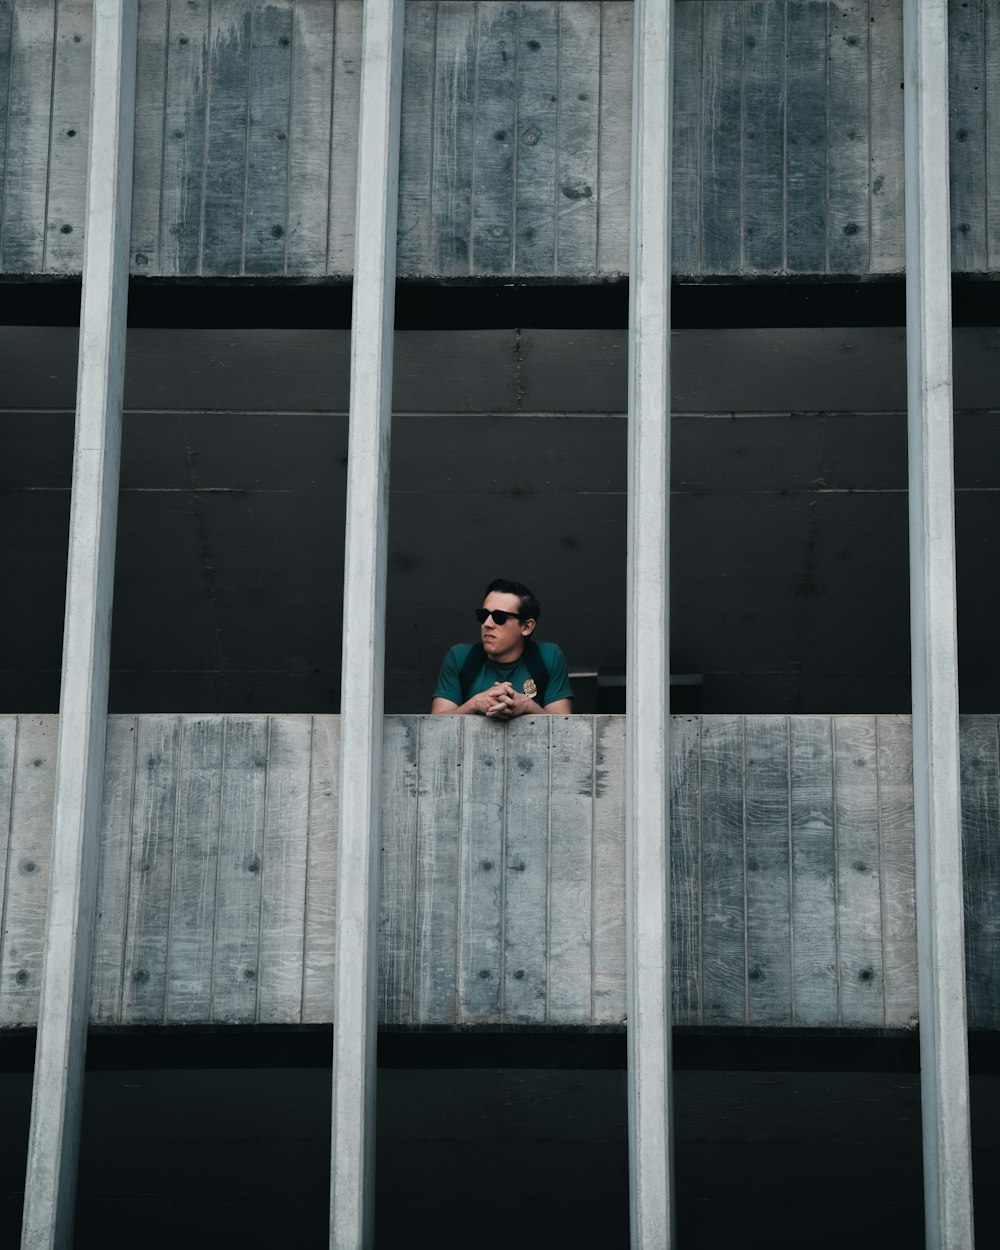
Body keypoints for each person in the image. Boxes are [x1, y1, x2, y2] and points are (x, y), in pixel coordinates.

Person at [431, 579, 573, 717]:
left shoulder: (548, 656)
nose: (487, 623)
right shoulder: (460, 657)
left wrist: (528, 706)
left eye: (499, 617)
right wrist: (474, 704)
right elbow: (434, 725)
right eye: (484, 615)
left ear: (526, 627)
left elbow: (564, 726)